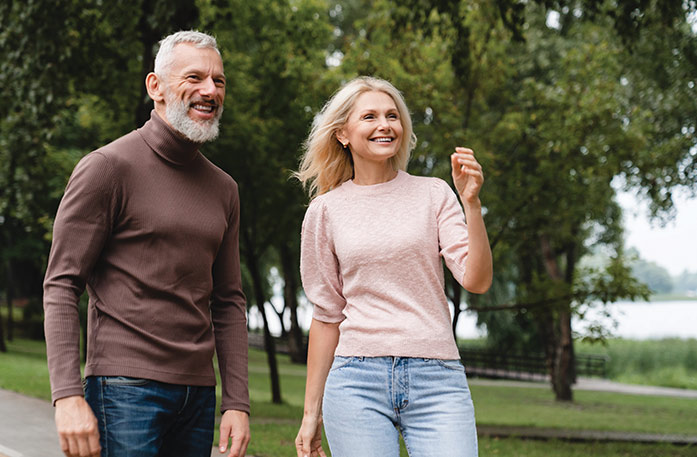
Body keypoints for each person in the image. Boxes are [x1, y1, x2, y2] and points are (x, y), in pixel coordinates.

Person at [43, 30, 250, 457]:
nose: (210, 91)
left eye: (219, 80)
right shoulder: (106, 169)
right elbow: (62, 285)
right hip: (124, 392)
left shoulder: (224, 189)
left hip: (197, 397)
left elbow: (228, 301)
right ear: (155, 87)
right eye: (194, 77)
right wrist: (66, 395)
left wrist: (236, 401)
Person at [294, 76, 493, 457]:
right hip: (355, 381)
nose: (385, 125)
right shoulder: (325, 211)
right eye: (369, 116)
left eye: (392, 116)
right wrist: (310, 414)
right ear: (342, 135)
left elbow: (477, 279)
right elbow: (326, 315)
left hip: (437, 378)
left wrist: (471, 204)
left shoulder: (433, 193)